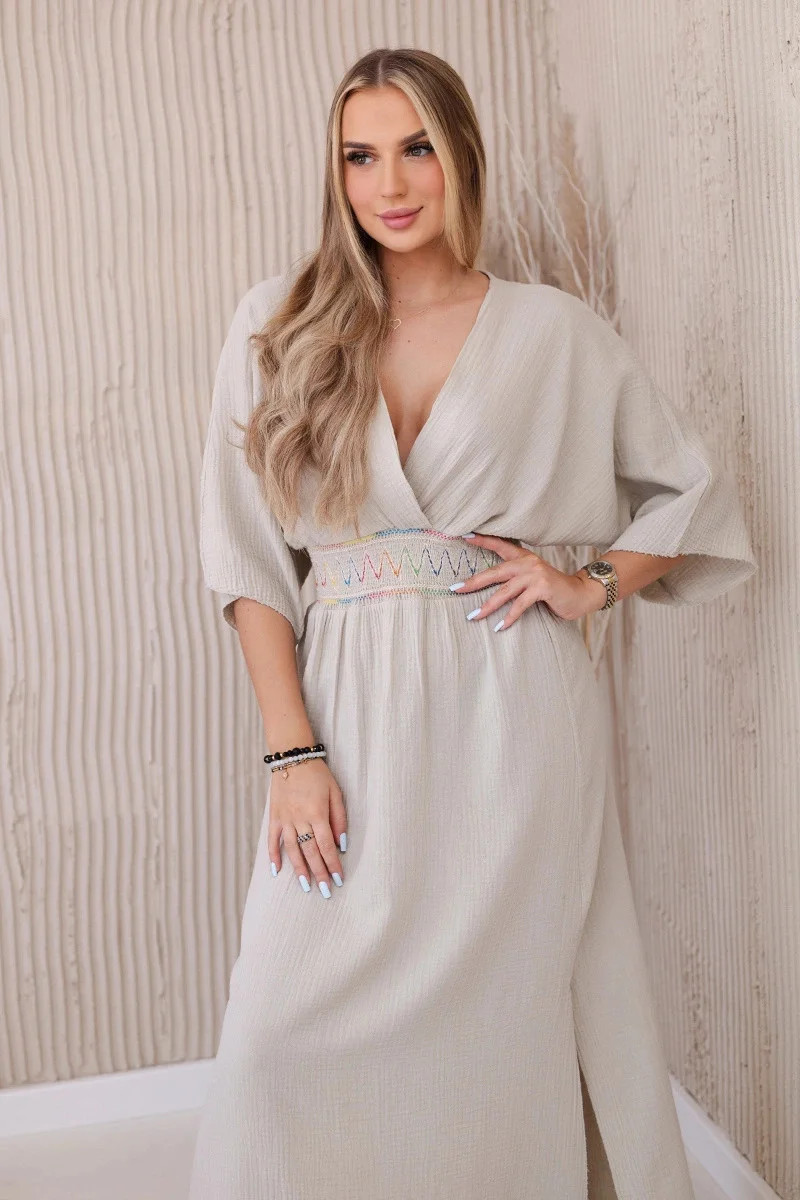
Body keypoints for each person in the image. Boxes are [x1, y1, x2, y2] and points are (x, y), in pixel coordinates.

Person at [188, 46, 757, 1200]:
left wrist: (587, 582)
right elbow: (249, 562)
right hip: (348, 715)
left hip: (514, 716)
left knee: (503, 1029)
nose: (389, 184)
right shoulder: (279, 324)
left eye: (415, 150)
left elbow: (692, 496)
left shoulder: (554, 332)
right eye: (359, 156)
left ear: (459, 156)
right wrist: (291, 751)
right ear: (334, 172)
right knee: (273, 1039)